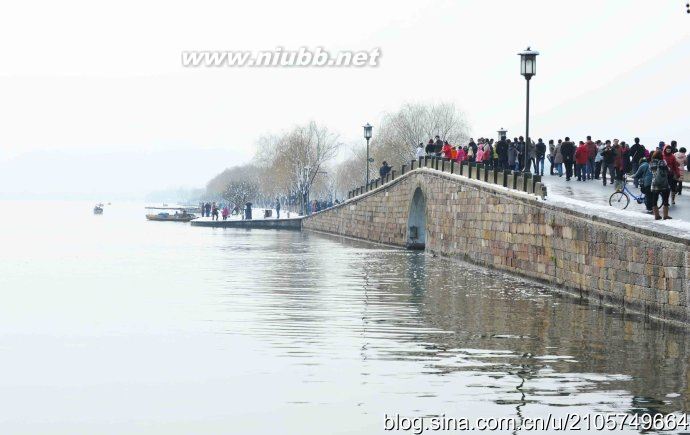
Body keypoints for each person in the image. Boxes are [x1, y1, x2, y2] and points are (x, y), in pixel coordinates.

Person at [650, 150, 672, 220]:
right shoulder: (663, 162)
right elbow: (668, 170)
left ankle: (656, 215)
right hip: (664, 184)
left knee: (654, 199)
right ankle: (665, 215)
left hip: (655, 183)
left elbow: (650, 171)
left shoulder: (651, 163)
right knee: (665, 199)